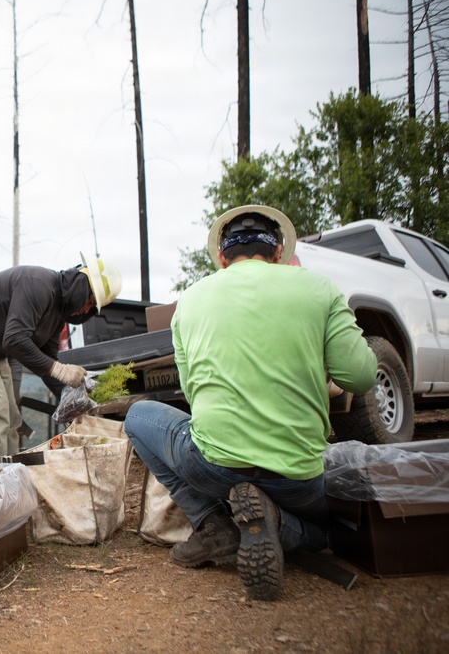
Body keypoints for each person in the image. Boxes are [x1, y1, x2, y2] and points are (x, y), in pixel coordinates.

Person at [123, 205, 377, 601]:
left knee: (138, 416)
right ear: (278, 253)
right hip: (296, 474)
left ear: (222, 258)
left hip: (212, 468)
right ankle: (274, 519)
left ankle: (212, 523)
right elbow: (360, 377)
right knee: (321, 531)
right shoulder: (318, 288)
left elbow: (193, 394)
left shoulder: (189, 301)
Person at [0, 254, 122, 467]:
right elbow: (15, 339)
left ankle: (4, 483)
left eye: (91, 309)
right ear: (81, 285)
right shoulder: (39, 285)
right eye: (88, 301)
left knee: (11, 422)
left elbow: (48, 363)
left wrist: (78, 401)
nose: (84, 310)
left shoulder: (56, 315)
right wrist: (60, 370)